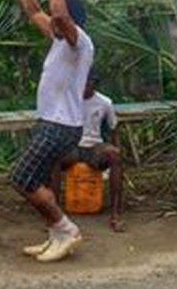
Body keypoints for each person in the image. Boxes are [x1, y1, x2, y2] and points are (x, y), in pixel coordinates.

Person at [11, 0, 94, 262]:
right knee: (37, 180)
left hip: (61, 125)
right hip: (52, 122)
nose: (53, 22)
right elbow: (35, 11)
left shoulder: (79, 42)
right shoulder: (60, 39)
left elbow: (57, 12)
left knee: (22, 178)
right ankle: (56, 234)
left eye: (60, 20)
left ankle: (66, 229)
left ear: (72, 21)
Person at [51, 71, 125, 232]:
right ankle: (54, 214)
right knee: (54, 156)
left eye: (87, 83)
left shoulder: (105, 102)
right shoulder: (68, 100)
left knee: (115, 155)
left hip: (94, 147)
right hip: (73, 146)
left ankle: (115, 214)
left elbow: (114, 129)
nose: (83, 86)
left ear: (94, 84)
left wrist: (116, 149)